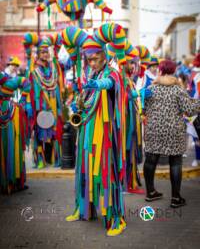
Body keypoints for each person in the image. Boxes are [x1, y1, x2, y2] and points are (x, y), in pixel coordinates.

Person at [62, 23, 127, 236]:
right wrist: (76, 104)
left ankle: (116, 219)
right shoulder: (90, 75)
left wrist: (100, 85)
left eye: (95, 57)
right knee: (84, 171)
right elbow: (86, 100)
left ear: (104, 55)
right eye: (88, 59)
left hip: (105, 136)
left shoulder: (113, 73)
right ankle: (83, 210)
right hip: (86, 134)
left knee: (106, 176)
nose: (92, 62)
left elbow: (112, 84)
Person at [143, 59, 200, 208]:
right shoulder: (178, 89)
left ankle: (150, 193)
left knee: (150, 160)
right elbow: (189, 109)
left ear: (160, 71)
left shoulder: (150, 88)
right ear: (174, 71)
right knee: (175, 162)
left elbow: (143, 109)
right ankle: (175, 198)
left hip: (154, 129)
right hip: (174, 130)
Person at [23, 33, 64, 169]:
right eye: (42, 52)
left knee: (54, 132)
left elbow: (57, 84)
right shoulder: (33, 69)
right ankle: (40, 159)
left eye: (47, 51)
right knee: (40, 133)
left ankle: (54, 158)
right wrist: (29, 103)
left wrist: (59, 105)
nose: (45, 54)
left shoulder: (53, 67)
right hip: (40, 104)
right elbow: (28, 87)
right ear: (38, 54)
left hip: (53, 103)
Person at [0, 71, 30, 194]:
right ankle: (13, 182)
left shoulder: (7, 81)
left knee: (10, 146)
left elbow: (24, 82)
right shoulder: (7, 81)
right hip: (10, 113)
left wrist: (22, 100)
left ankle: (9, 183)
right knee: (11, 147)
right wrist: (22, 101)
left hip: (10, 112)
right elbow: (25, 82)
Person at [188, 53, 200, 167]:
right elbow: (192, 90)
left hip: (195, 108)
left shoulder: (194, 73)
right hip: (196, 108)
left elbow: (190, 89)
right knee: (196, 134)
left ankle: (197, 158)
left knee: (196, 135)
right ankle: (197, 158)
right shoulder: (195, 74)